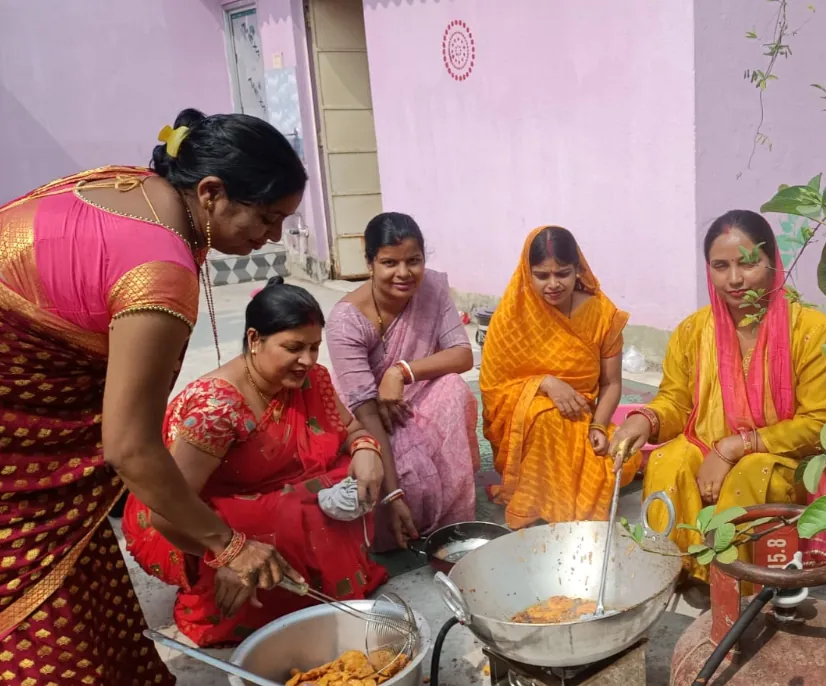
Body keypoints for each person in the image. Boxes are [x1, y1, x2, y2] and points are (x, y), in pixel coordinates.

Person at [0, 108, 308, 684]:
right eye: (267, 218)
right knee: (48, 648)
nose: (273, 237)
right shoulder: (159, 272)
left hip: (41, 485)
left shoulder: (134, 186)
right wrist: (230, 546)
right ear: (211, 193)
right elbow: (131, 449)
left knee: (81, 575)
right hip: (19, 479)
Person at [122, 278, 388, 646]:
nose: (308, 361)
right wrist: (228, 554)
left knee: (341, 481)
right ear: (254, 340)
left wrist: (367, 450)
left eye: (314, 347)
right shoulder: (217, 410)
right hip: (203, 523)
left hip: (274, 494)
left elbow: (352, 427)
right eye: (294, 348)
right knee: (295, 510)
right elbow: (167, 511)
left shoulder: (311, 380)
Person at [611, 210, 826, 581]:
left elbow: (820, 423)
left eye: (748, 263)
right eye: (721, 266)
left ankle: (742, 582)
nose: (734, 279)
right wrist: (646, 418)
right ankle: (674, 569)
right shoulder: (693, 330)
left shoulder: (811, 330)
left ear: (772, 262)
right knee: (668, 461)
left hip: (781, 455)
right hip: (708, 445)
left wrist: (734, 448)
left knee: (754, 470)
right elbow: (676, 401)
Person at [326, 212, 479, 551]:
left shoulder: (433, 289)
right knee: (400, 485)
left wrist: (400, 372)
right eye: (389, 262)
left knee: (454, 388)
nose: (403, 273)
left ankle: (450, 517)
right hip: (363, 416)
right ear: (369, 263)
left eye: (414, 261)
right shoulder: (346, 321)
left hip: (415, 399)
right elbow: (363, 409)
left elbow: (462, 355)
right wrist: (392, 493)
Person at [480, 226, 642, 529]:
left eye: (563, 274)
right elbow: (494, 387)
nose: (553, 284)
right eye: (542, 276)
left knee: (619, 455)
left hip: (584, 414)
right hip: (529, 419)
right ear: (528, 273)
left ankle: (561, 504)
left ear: (577, 269)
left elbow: (612, 383)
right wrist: (546, 383)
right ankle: (543, 505)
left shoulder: (601, 313)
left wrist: (598, 425)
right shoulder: (512, 316)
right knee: (546, 417)